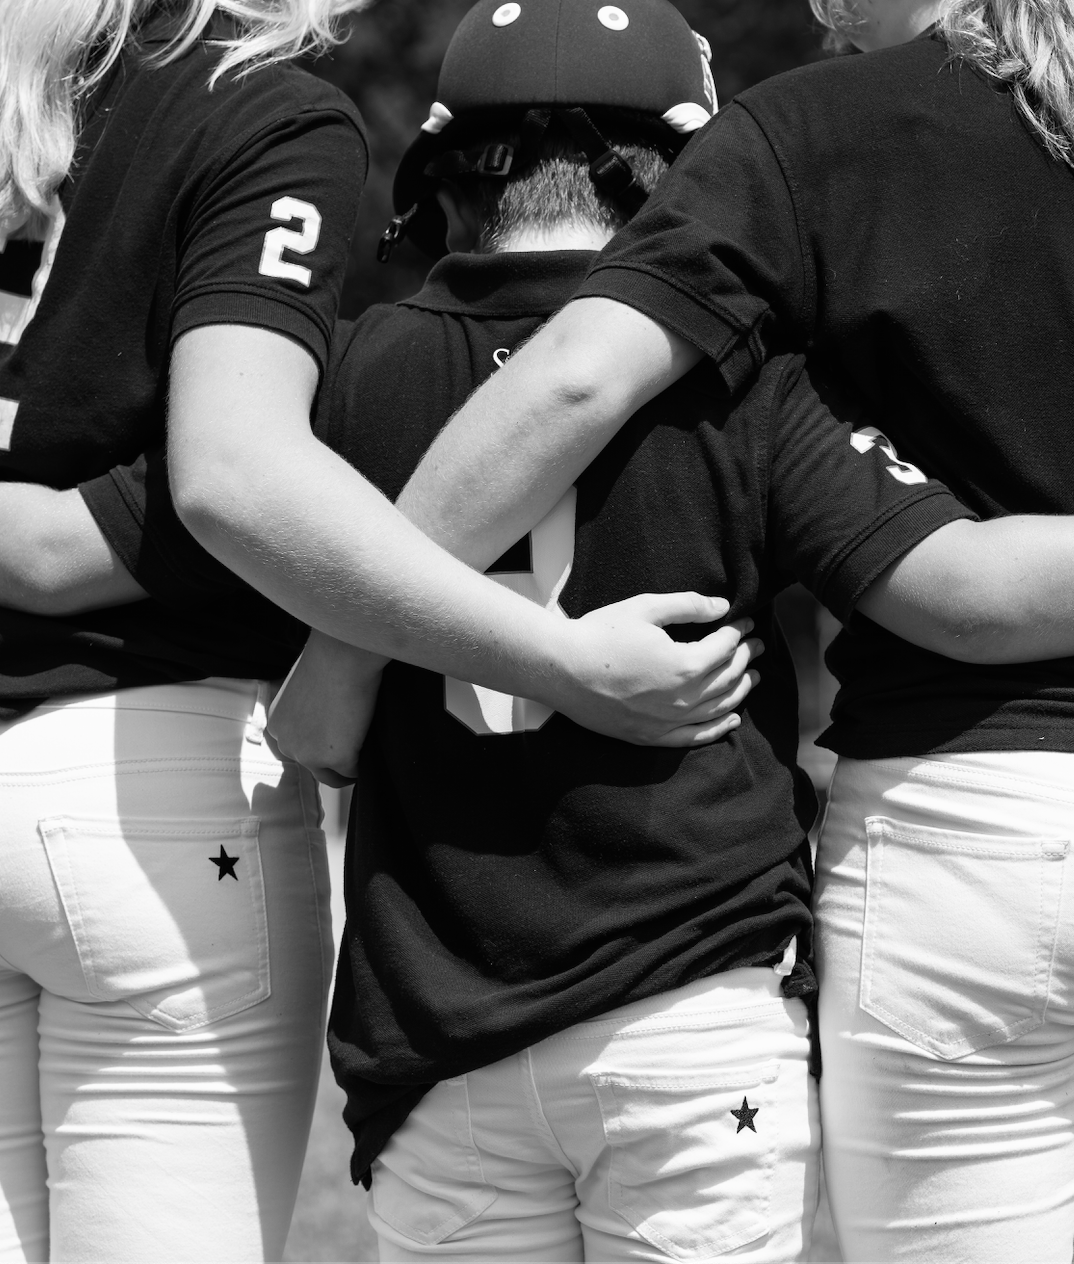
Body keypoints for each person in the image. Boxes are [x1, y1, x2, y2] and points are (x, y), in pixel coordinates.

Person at [268, 2, 1074, 1258]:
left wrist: (340, 653)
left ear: (443, 172)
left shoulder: (351, 368)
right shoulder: (750, 383)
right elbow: (954, 581)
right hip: (695, 1014)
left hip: (439, 1017)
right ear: (676, 177)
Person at [0, 2, 751, 1260]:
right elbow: (235, 477)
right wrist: (552, 657)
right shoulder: (256, 101)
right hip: (140, 783)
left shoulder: (370, 356)